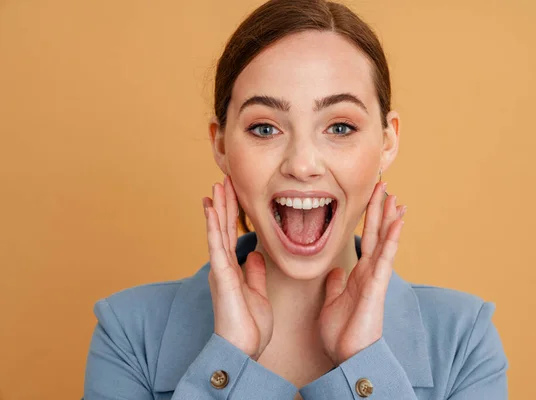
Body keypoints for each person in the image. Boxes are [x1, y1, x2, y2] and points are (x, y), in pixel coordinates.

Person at [83, 0, 508, 398]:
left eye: (340, 127)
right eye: (265, 128)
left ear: (387, 141)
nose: (303, 164)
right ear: (221, 145)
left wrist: (366, 367)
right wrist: (226, 361)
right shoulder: (129, 333)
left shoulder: (463, 341)